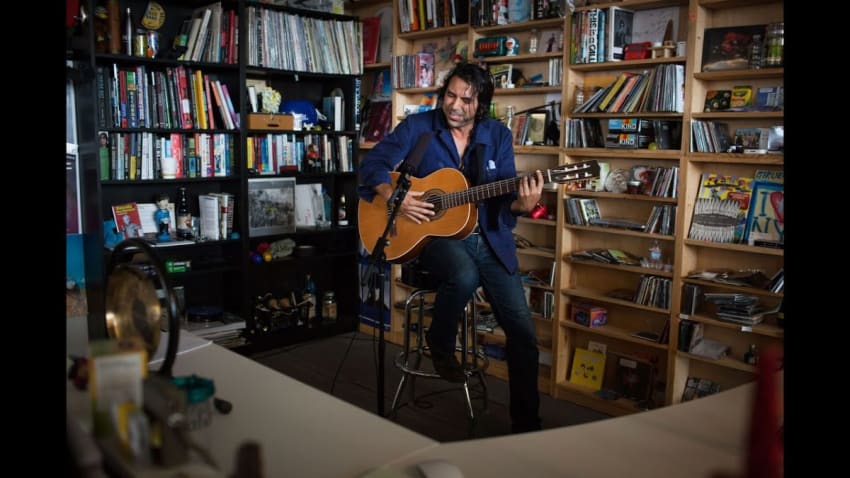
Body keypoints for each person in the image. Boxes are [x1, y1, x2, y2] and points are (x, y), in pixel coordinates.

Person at [357, 61, 544, 433]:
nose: (455, 105)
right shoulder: (419, 128)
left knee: (523, 335)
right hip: (431, 237)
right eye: (450, 95)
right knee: (463, 274)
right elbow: (372, 164)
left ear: (482, 103)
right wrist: (396, 195)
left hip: (489, 238)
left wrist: (522, 205)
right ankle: (439, 342)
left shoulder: (498, 136)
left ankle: (527, 426)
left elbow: (506, 199)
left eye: (466, 100)